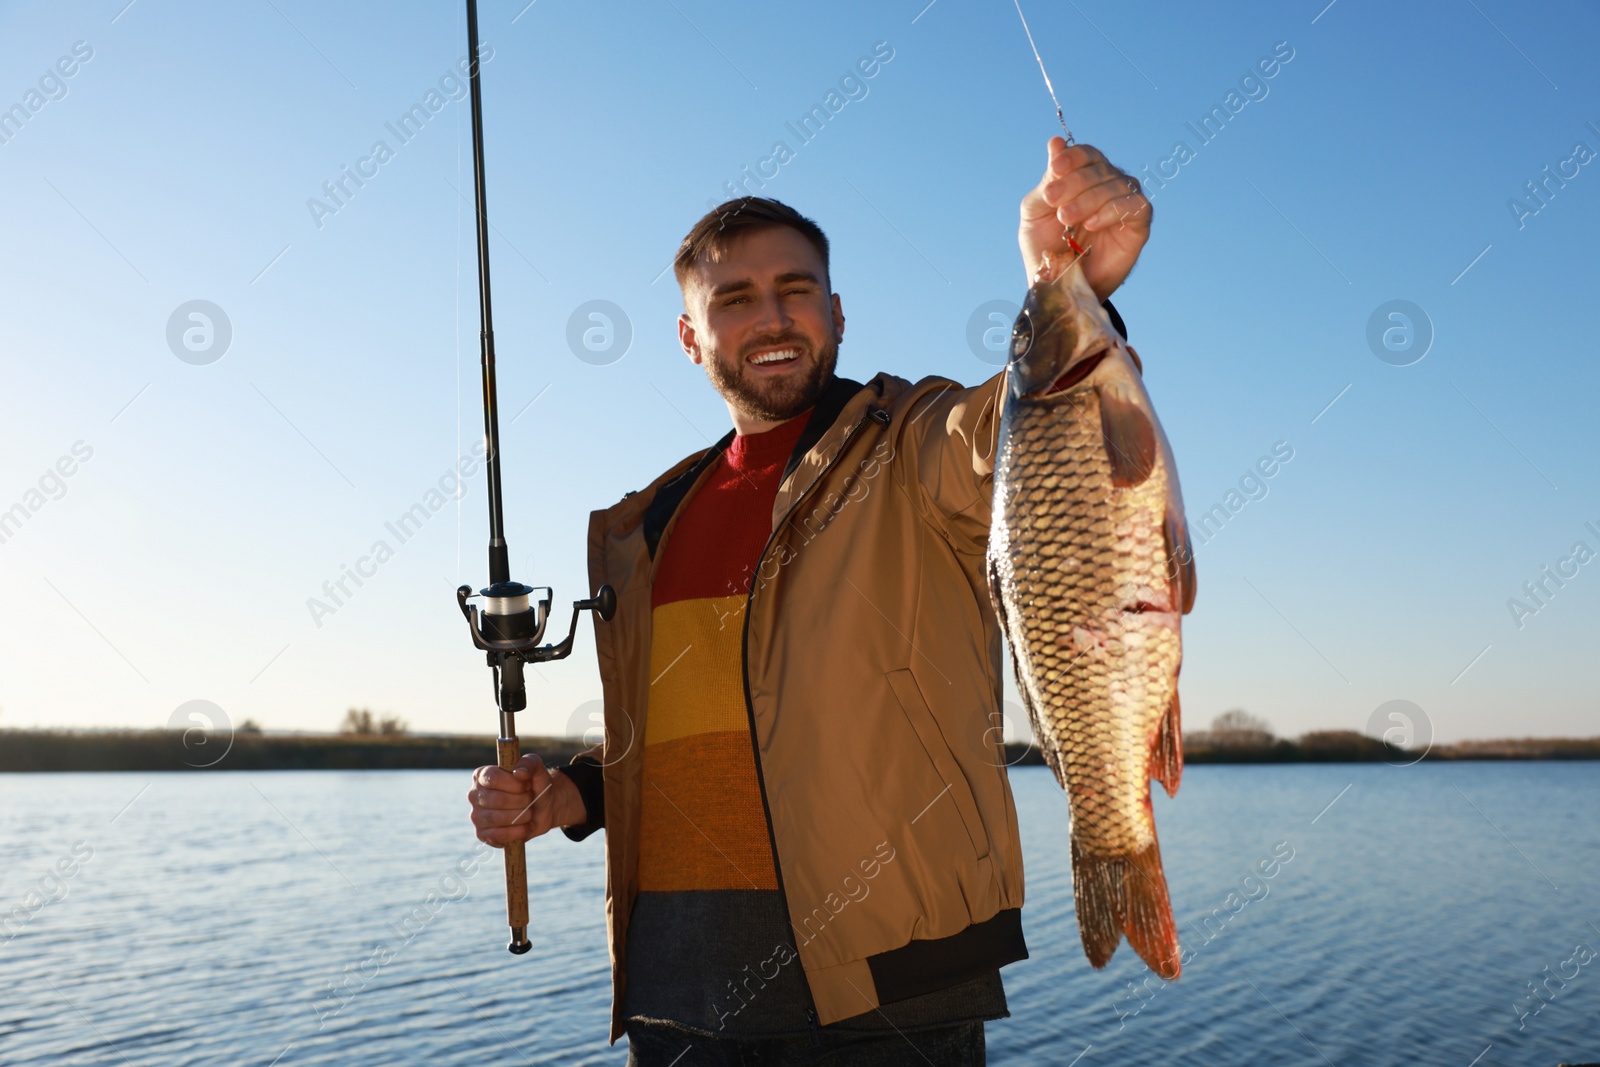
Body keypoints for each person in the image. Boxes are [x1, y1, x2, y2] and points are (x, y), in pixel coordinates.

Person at [467, 136, 1152, 1065]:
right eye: (734, 299)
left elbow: (1015, 430)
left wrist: (1073, 292)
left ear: (835, 310)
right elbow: (690, 723)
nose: (772, 315)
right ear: (690, 336)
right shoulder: (646, 524)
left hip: (889, 992)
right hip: (678, 1003)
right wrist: (575, 791)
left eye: (795, 288)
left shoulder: (913, 439)